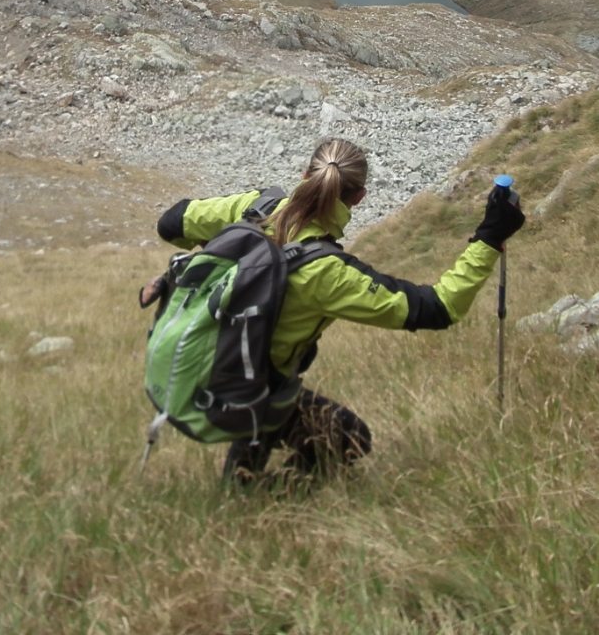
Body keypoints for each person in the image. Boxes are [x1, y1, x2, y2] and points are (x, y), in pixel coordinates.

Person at [146, 137, 524, 482]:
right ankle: (258, 495)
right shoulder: (327, 271)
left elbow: (170, 224)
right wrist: (489, 238)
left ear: (305, 174)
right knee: (352, 438)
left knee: (277, 382)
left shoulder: (254, 207)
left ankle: (242, 476)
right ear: (358, 198)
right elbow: (439, 307)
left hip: (181, 372)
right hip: (242, 391)